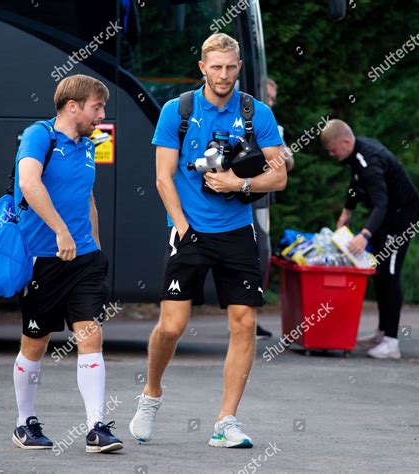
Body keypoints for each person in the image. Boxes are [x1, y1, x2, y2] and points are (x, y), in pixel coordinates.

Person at [129, 33, 286, 448]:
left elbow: (279, 175)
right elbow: (163, 177)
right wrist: (180, 225)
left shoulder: (256, 112)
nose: (224, 75)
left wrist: (239, 181)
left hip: (237, 230)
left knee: (245, 322)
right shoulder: (176, 111)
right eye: (216, 67)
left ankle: (226, 421)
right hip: (190, 230)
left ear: (238, 67)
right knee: (172, 326)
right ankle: (151, 393)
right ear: (203, 68)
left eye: (231, 67)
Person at [11, 74, 123, 453]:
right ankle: (24, 423)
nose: (102, 115)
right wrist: (61, 231)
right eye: (97, 107)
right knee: (36, 342)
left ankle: (96, 428)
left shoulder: (90, 144)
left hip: (84, 259)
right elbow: (29, 183)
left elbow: (87, 197)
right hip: (44, 258)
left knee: (90, 334)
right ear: (72, 106)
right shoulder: (39, 135)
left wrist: (94, 245)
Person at [320, 119, 419, 359]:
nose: (332, 155)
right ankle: (382, 332)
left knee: (390, 273)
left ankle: (391, 342)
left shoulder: (370, 160)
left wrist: (365, 234)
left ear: (345, 142)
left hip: (401, 217)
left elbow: (381, 202)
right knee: (379, 272)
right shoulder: (356, 155)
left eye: (333, 150)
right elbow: (355, 184)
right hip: (387, 217)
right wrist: (347, 211)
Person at [253, 78, 295, 340]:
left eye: (273, 99)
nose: (270, 102)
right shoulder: (247, 116)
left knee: (261, 256)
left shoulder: (271, 124)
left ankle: (250, 318)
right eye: (267, 96)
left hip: (260, 197)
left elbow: (287, 164)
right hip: (242, 197)